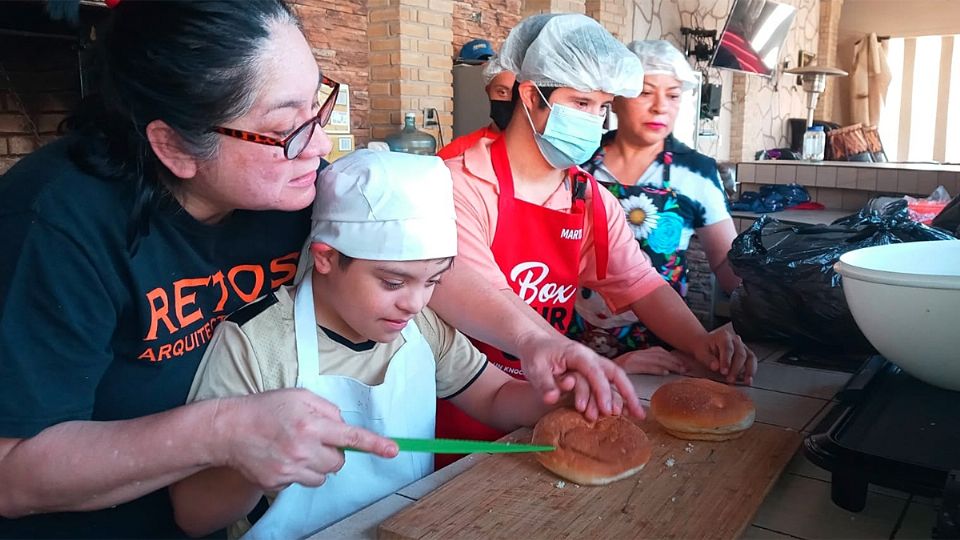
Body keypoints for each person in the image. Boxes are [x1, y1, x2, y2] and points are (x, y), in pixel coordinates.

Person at [0, 2, 635, 537]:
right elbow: (12, 473)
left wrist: (535, 340)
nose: (321, 144)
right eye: (287, 126)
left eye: (319, 104)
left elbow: (416, 264)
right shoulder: (55, 224)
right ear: (172, 146)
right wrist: (222, 433)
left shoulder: (289, 184)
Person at [169, 150, 576, 539]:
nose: (414, 302)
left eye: (433, 280)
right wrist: (252, 464)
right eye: (393, 282)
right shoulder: (256, 343)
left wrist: (564, 395)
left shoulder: (423, 326)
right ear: (326, 258)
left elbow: (496, 397)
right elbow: (194, 515)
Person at [431, 15, 756, 458]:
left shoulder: (587, 197)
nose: (594, 119)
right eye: (581, 103)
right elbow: (474, 287)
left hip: (549, 404)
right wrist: (557, 349)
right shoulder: (459, 182)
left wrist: (702, 342)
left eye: (602, 106)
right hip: (459, 407)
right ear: (531, 96)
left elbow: (640, 283)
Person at [567, 40, 747, 370]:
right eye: (645, 92)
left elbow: (727, 266)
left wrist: (761, 316)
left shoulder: (698, 173)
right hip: (571, 346)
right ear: (615, 99)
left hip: (664, 351)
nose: (660, 107)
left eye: (673, 95)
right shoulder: (576, 163)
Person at [436, 54, 516, 160]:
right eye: (502, 92)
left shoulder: (541, 152)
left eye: (517, 93)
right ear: (488, 91)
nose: (510, 100)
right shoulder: (459, 151)